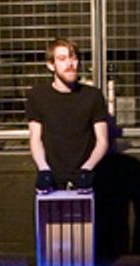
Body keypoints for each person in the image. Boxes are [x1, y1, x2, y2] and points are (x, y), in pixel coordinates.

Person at [26, 39, 109, 194]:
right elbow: (35, 138)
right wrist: (43, 169)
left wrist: (87, 169)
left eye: (73, 58)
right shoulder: (37, 96)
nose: (70, 63)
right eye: (62, 59)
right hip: (51, 179)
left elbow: (102, 140)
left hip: (88, 178)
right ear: (51, 65)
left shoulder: (93, 96)